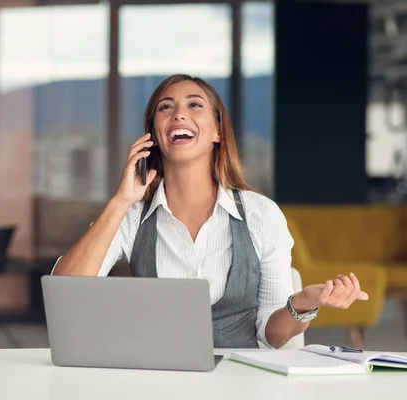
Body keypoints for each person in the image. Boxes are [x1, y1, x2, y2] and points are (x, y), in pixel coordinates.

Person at [52, 74, 368, 349]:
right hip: (159, 380)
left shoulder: (261, 214)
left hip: (238, 382)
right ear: (154, 135)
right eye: (166, 107)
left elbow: (272, 336)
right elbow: (64, 291)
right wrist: (120, 201)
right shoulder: (131, 215)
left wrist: (305, 302)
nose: (178, 114)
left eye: (194, 105)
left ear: (217, 132)